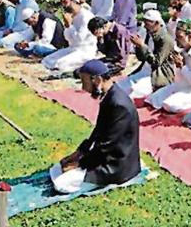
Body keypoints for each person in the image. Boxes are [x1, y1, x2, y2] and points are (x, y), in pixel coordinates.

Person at [50, 60, 140, 194]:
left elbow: (107, 146)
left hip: (116, 165)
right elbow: (98, 131)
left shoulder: (118, 104)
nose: (83, 88)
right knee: (56, 169)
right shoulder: (110, 96)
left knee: (61, 184)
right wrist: (79, 153)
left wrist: (80, 164)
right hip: (105, 156)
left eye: (84, 82)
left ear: (97, 80)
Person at [146, 19, 191, 113]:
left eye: (179, 37)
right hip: (182, 86)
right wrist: (176, 64)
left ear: (190, 36)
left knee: (169, 105)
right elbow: (178, 78)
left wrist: (182, 67)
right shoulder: (182, 50)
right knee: (153, 98)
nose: (176, 40)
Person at [124, 10, 175, 99]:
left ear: (156, 23)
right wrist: (138, 46)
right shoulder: (149, 34)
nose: (145, 26)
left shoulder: (165, 39)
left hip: (156, 74)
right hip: (143, 71)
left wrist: (142, 45)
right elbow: (141, 58)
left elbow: (156, 62)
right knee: (120, 86)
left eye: (147, 23)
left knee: (132, 92)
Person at [42, 0, 98, 73]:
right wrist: (68, 26)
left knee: (59, 64)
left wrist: (69, 25)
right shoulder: (71, 16)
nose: (64, 5)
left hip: (85, 51)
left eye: (65, 2)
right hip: (73, 48)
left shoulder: (85, 16)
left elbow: (80, 40)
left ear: (73, 1)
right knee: (47, 60)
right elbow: (67, 38)